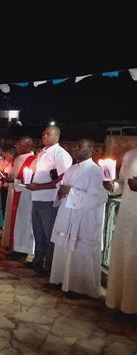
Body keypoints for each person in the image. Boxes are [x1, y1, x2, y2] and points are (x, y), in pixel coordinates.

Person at [48, 139, 108, 298]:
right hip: (68, 215)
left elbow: (99, 197)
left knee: (79, 251)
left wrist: (71, 192)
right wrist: (61, 192)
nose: (75, 148)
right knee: (65, 250)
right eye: (75, 146)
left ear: (91, 149)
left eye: (79, 146)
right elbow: (63, 189)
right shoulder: (71, 169)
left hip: (84, 218)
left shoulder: (96, 171)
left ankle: (80, 287)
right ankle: (60, 279)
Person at [26, 126, 73, 276]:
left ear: (57, 136)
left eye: (48, 134)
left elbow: (63, 178)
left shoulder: (60, 154)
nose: (44, 136)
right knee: (38, 231)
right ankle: (38, 259)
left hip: (49, 199)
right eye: (43, 134)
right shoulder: (42, 153)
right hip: (37, 198)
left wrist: (40, 186)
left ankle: (49, 265)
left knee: (49, 233)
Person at [106, 149, 137, 314]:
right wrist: (112, 185)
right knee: (126, 257)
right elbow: (122, 183)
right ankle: (122, 302)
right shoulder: (130, 155)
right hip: (127, 216)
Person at [2, 137, 36, 259]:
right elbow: (14, 174)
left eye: (19, 145)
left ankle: (22, 249)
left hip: (25, 195)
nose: (17, 147)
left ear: (28, 146)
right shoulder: (17, 159)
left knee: (22, 221)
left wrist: (14, 179)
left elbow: (30, 178)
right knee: (14, 220)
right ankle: (14, 245)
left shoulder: (33, 160)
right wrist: (8, 176)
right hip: (14, 191)